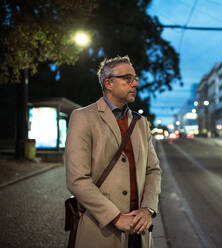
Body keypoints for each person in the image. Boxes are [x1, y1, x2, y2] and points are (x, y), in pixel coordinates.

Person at [65, 55, 161, 248]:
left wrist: (147, 208)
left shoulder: (140, 123)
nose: (135, 83)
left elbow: (153, 170)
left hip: (139, 231)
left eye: (135, 78)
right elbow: (77, 179)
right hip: (101, 230)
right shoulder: (83, 117)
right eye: (128, 78)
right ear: (108, 83)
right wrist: (115, 217)